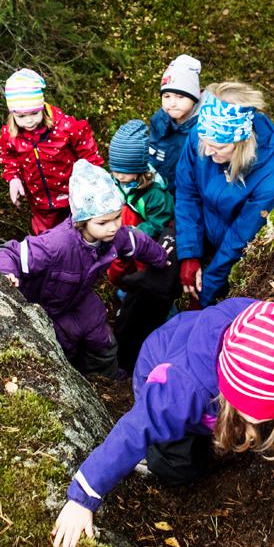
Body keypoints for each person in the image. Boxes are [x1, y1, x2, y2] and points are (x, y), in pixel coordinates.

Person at [52, 298, 274, 547]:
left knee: (256, 434)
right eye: (248, 412)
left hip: (216, 395)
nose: (255, 420)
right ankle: (167, 453)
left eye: (266, 413)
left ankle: (233, 427)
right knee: (178, 467)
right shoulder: (180, 389)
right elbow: (133, 431)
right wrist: (83, 498)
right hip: (159, 367)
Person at [0, 159, 168, 377]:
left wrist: (162, 259)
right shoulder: (56, 244)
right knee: (64, 344)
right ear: (81, 221)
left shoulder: (115, 235)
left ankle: (108, 380)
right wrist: (6, 274)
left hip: (78, 296)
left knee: (103, 339)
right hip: (43, 304)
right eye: (103, 222)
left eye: (116, 217)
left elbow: (137, 242)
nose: (113, 227)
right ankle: (73, 374)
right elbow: (10, 252)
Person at [174, 82, 274, 308]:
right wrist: (189, 252)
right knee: (156, 278)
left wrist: (204, 294)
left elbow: (240, 238)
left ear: (242, 142)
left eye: (218, 147)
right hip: (199, 225)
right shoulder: (201, 137)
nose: (208, 152)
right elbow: (187, 192)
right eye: (205, 143)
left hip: (231, 244)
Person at [107, 120, 180, 373]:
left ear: (139, 169)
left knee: (150, 283)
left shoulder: (154, 194)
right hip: (126, 239)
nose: (118, 176)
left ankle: (169, 319)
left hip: (145, 245)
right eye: (114, 170)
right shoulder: (118, 181)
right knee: (122, 273)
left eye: (124, 172)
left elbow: (159, 222)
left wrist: (137, 234)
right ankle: (125, 295)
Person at [0, 68, 103, 235]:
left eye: (34, 113)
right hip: (41, 202)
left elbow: (86, 147)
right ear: (12, 114)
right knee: (47, 238)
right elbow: (7, 155)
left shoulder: (64, 127)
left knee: (80, 233)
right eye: (21, 116)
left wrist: (95, 175)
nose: (29, 120)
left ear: (42, 108)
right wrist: (13, 178)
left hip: (73, 197)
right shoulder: (11, 135)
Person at [148, 54, 202, 195]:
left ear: (194, 99)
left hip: (187, 194)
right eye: (166, 96)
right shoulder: (159, 120)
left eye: (180, 97)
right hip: (160, 189)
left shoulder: (201, 128)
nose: (172, 103)